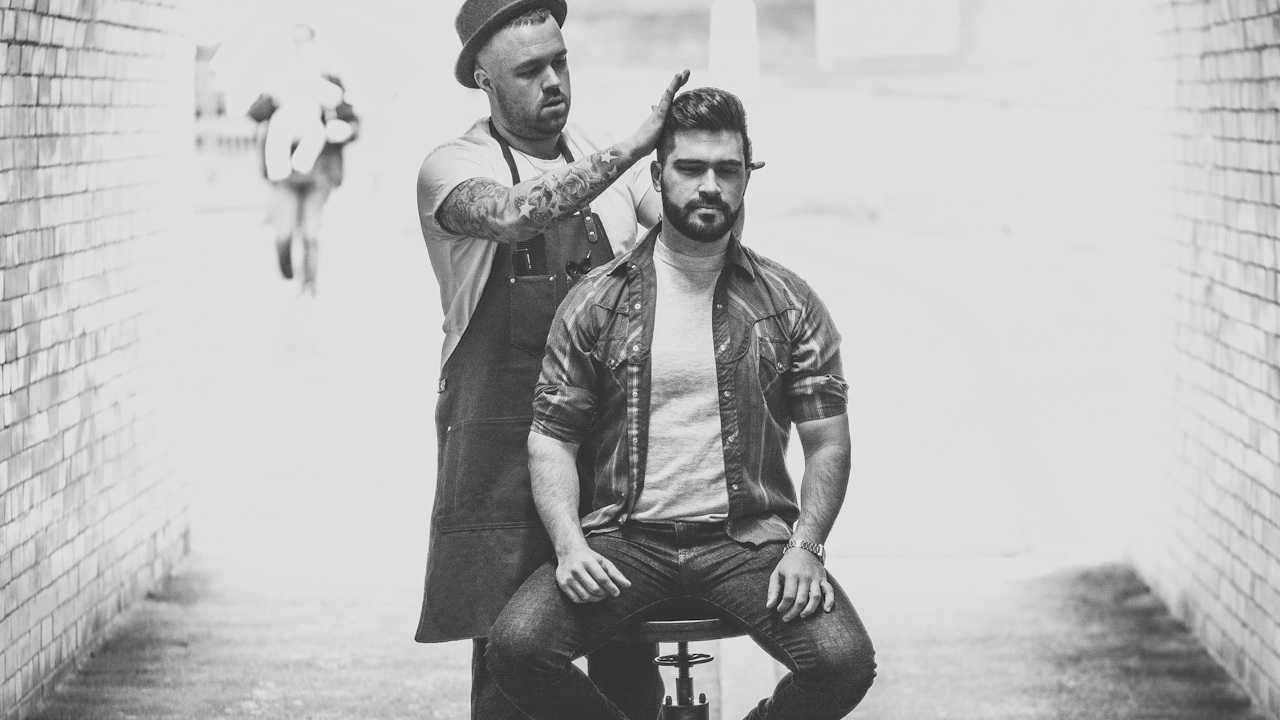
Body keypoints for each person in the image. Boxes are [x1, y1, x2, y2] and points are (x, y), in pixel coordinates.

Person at [485, 87, 878, 720]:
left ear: (747, 178)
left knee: (844, 663)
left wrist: (808, 546)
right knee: (515, 650)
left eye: (727, 170)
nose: (709, 186)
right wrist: (569, 546)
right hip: (624, 540)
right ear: (658, 173)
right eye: (690, 168)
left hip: (746, 544)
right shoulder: (597, 302)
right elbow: (551, 438)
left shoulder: (789, 303)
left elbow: (827, 440)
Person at [413, 1, 689, 718]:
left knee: (627, 647)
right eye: (529, 70)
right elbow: (514, 214)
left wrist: (706, 173)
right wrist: (629, 151)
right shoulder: (453, 166)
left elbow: (693, 253)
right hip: (501, 451)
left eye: (560, 61)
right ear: (483, 77)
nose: (554, 81)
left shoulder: (614, 162)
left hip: (609, 451)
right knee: (512, 654)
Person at [247, 23, 359, 297]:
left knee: (311, 231)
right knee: (283, 232)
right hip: (284, 174)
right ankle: (288, 272)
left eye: (303, 41)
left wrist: (341, 130)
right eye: (293, 42)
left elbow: (352, 123)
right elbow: (256, 112)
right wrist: (273, 98)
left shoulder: (330, 82)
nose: (298, 47)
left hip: (319, 173)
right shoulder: (278, 78)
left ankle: (308, 286)